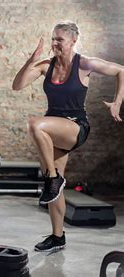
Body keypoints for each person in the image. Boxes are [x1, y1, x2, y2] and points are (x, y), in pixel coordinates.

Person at [12, 21, 123, 252]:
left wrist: (117, 103)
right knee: (54, 186)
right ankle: (57, 235)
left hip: (75, 127)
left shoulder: (84, 63)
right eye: (53, 39)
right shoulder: (46, 65)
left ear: (73, 41)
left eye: (59, 40)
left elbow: (121, 70)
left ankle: (53, 179)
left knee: (34, 125)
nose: (54, 44)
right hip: (53, 130)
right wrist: (30, 61)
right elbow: (17, 85)